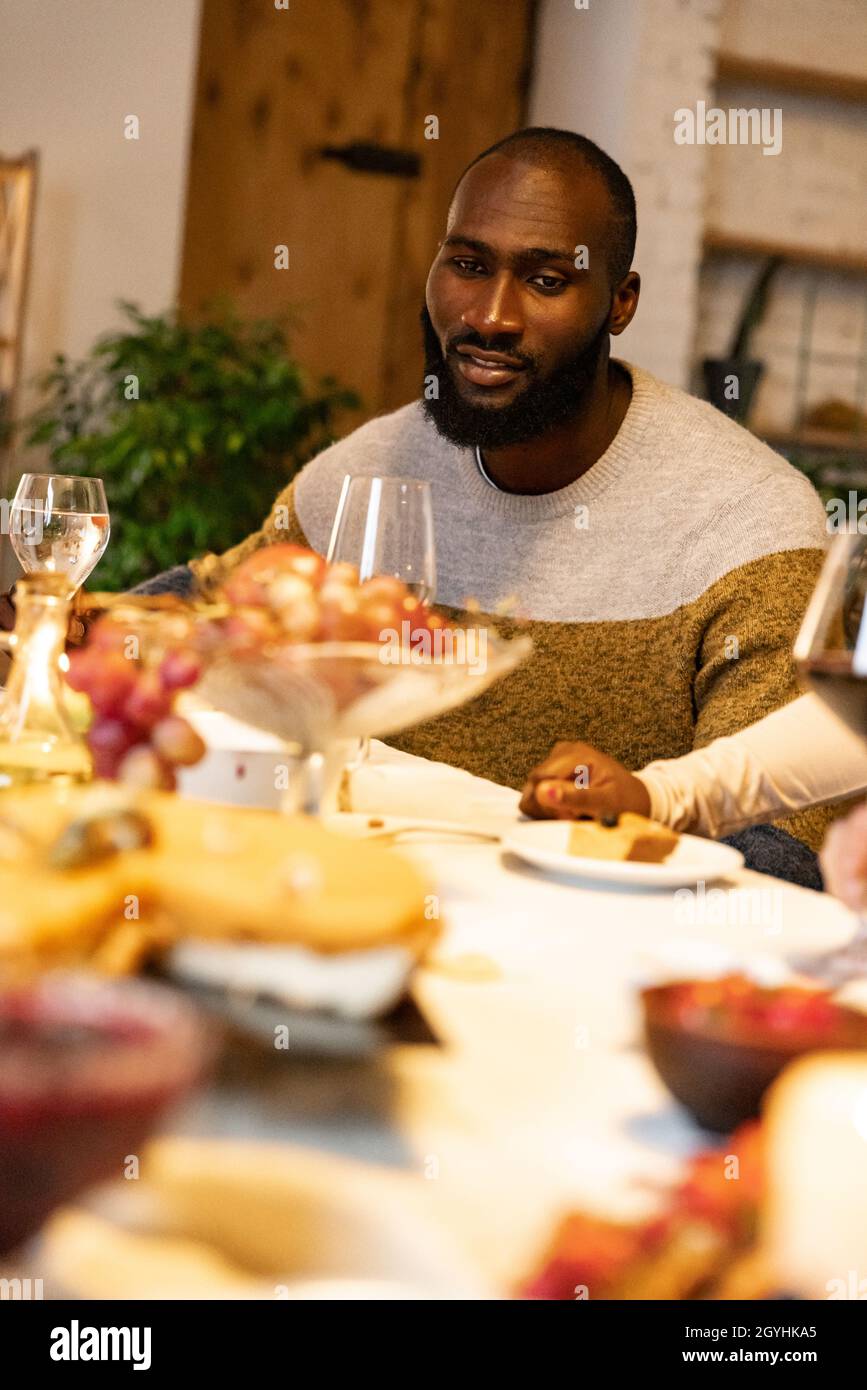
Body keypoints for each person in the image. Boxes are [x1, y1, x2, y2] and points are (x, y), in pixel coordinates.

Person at [15, 128, 837, 877]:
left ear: (618, 302)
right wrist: (91, 623)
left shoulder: (750, 522)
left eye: (545, 280)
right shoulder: (365, 466)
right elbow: (216, 609)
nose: (489, 316)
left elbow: (777, 855)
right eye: (468, 266)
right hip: (344, 901)